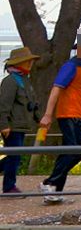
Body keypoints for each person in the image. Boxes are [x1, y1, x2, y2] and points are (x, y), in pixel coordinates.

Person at [39, 28, 81, 205]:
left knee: (76, 150)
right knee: (75, 149)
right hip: (68, 113)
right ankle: (50, 183)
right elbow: (56, 88)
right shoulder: (71, 66)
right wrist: (48, 115)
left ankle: (54, 188)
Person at [2, 46, 42, 195]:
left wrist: (39, 118)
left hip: (22, 125)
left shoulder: (25, 80)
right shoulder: (10, 81)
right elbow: (3, 105)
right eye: (27, 61)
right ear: (19, 63)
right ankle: (9, 187)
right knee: (14, 156)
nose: (30, 64)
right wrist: (4, 125)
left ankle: (9, 186)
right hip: (12, 126)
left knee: (15, 156)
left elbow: (31, 103)